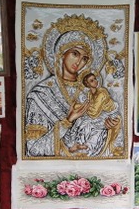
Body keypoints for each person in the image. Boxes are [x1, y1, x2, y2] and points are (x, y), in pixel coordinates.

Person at [24, 29, 120, 158]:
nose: (79, 62)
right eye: (75, 54)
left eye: (84, 58)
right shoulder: (41, 94)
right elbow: (34, 149)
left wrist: (111, 126)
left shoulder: (90, 91)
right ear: (62, 54)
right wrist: (67, 121)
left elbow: (105, 124)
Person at [68, 72, 121, 156]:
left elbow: (94, 112)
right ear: (87, 84)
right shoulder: (90, 93)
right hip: (100, 113)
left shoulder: (102, 93)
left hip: (110, 114)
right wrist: (83, 107)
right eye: (92, 80)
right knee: (81, 121)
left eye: (95, 79)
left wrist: (83, 107)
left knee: (96, 126)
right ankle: (78, 143)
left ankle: (88, 145)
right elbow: (91, 107)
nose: (95, 81)